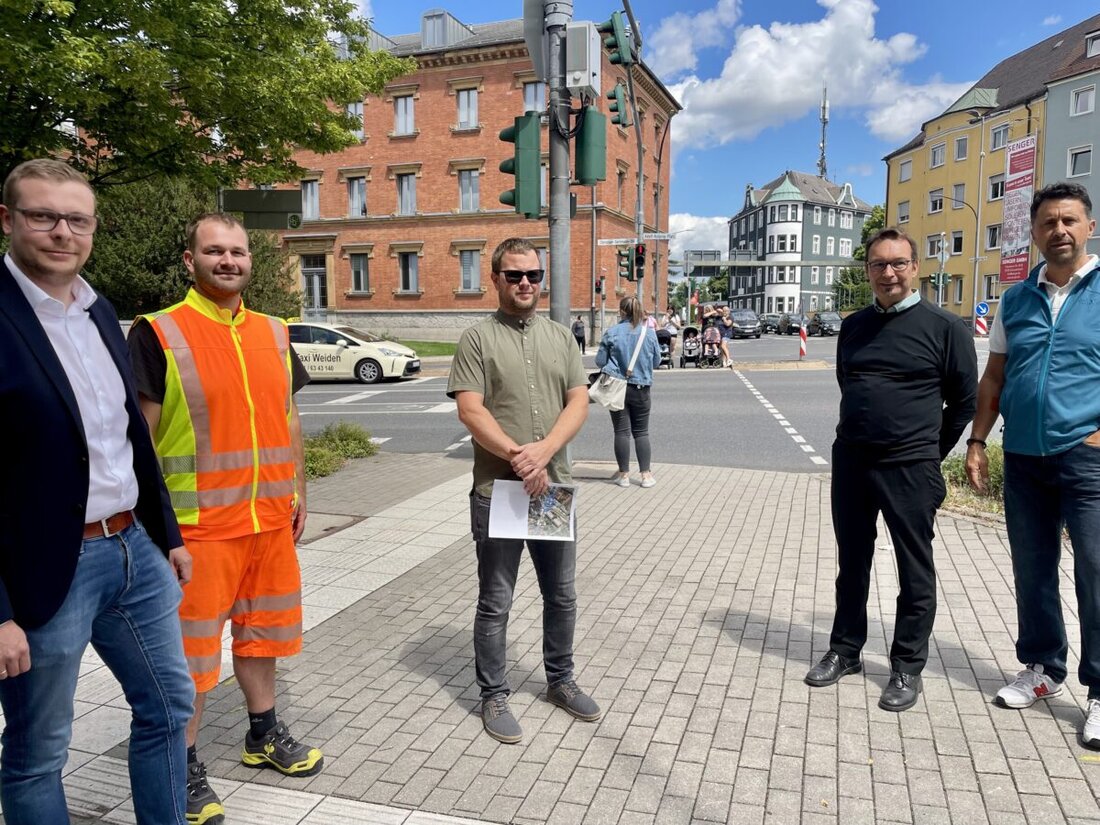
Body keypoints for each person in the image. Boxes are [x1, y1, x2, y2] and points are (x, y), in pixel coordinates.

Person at [0, 159, 194, 824]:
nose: (61, 231)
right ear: (8, 220)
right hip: (42, 573)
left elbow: (131, 439)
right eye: (42, 216)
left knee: (170, 705)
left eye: (76, 219)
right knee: (38, 750)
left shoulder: (99, 309)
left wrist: (165, 535)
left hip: (131, 550)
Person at [128, 213, 319, 824]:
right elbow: (140, 439)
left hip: (268, 522)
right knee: (190, 658)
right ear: (191, 260)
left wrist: (299, 491)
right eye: (215, 251)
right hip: (197, 530)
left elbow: (287, 420)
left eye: (237, 251)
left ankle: (261, 733)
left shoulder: (273, 330)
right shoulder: (159, 332)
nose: (228, 261)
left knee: (263, 634)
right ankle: (181, 768)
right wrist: (154, 530)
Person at [805, 227, 977, 712]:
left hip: (910, 467)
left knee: (913, 569)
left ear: (915, 267)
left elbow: (963, 403)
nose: (888, 273)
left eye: (898, 263)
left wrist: (926, 451)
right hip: (853, 462)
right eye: (879, 264)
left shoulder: (946, 328)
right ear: (867, 272)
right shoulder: (854, 325)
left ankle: (906, 666)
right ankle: (845, 651)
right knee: (851, 563)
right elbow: (848, 382)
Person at [448, 237, 600, 744]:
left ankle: (560, 680)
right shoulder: (476, 339)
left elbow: (578, 402)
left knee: (562, 596)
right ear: (495, 280)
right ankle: (493, 694)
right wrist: (520, 456)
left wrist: (544, 452)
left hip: (551, 490)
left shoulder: (561, 336)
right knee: (496, 600)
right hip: (501, 493)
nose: (526, 284)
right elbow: (471, 410)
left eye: (533, 274)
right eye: (514, 275)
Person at [965, 182, 1100, 745]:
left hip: (1087, 458)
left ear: (1088, 226)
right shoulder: (1015, 298)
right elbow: (995, 375)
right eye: (1048, 223)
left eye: (1069, 220)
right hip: (1023, 455)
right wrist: (977, 441)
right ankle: (1043, 668)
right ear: (1036, 233)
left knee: (1096, 571)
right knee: (1032, 568)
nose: (1059, 231)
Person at [595, 295, 662, 488]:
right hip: (641, 388)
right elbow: (656, 361)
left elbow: (600, 361)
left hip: (617, 387)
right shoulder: (648, 334)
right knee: (641, 432)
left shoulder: (612, 332)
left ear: (622, 312)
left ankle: (624, 475)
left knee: (621, 432)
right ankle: (646, 476)